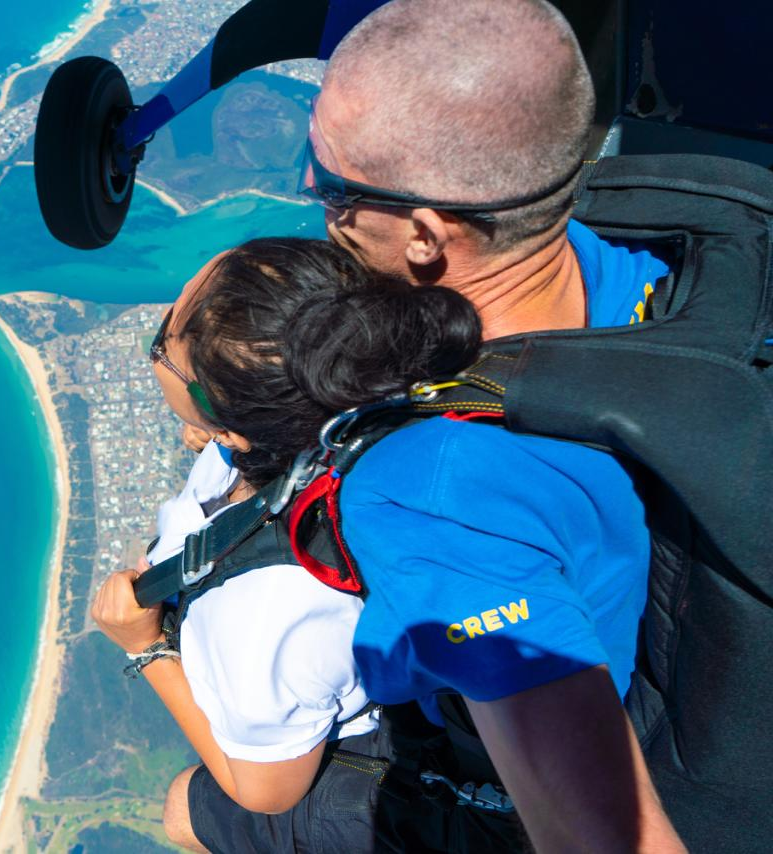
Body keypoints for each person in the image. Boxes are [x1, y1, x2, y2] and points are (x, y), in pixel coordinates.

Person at [278, 0, 682, 850]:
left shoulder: (432, 488)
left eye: (336, 186)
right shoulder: (658, 269)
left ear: (427, 236)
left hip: (504, 771)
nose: (316, 194)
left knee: (198, 806)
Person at [92, 237, 485, 852]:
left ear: (238, 424)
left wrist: (144, 650)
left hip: (402, 754)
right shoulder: (380, 381)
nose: (160, 330)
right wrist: (220, 435)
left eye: (161, 338)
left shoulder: (263, 612)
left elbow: (264, 792)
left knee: (181, 811)